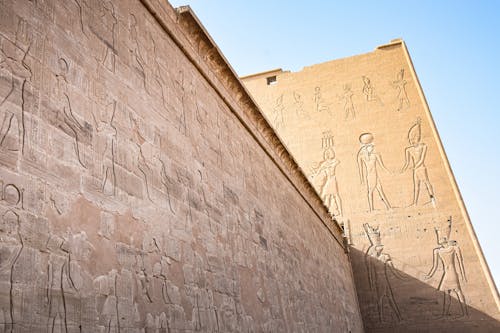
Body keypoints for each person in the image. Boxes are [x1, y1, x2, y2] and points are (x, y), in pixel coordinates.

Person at [400, 119, 435, 206]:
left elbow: (422, 159)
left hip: (421, 168)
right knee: (416, 185)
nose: (411, 141)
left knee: (427, 182)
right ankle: (415, 203)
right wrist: (403, 169)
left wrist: (416, 166)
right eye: (410, 139)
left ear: (417, 138)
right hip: (415, 169)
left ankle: (432, 199)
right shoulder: (409, 149)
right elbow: (407, 162)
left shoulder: (423, 146)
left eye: (413, 139)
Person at [357, 133, 391, 211]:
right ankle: (372, 209)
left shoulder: (374, 153)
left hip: (375, 175)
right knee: (371, 191)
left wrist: (388, 171)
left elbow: (382, 165)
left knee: (379, 190)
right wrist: (362, 179)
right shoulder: (361, 154)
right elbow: (360, 168)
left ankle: (388, 207)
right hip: (370, 175)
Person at [310, 148, 343, 216]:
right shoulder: (324, 164)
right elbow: (318, 171)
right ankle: (325, 211)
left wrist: (329, 165)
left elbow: (337, 162)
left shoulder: (334, 162)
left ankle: (340, 211)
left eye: (328, 153)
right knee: (326, 195)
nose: (327, 155)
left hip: (332, 179)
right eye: (326, 154)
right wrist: (314, 173)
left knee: (334, 195)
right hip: (328, 180)